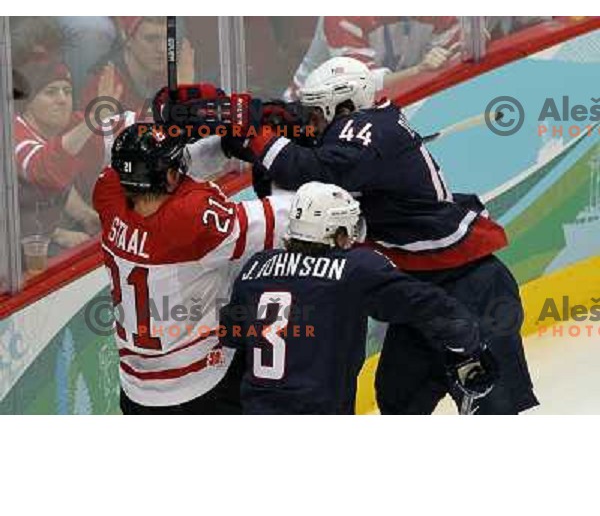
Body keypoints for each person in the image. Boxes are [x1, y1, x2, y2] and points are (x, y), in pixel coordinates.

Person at [222, 56, 538, 415]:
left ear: (343, 105)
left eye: (316, 113)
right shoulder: (361, 124)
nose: (311, 124)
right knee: (397, 399)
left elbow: (310, 170)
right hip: (420, 284)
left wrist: (254, 136)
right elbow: (299, 152)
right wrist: (263, 116)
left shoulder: (368, 129)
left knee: (493, 407)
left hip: (472, 286)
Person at [219, 181, 493, 415]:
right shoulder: (355, 269)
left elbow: (231, 334)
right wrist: (469, 348)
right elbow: (431, 307)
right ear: (335, 232)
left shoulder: (257, 266)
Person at [92, 121, 292, 415]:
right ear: (171, 176)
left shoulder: (107, 193)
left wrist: (221, 147)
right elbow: (285, 217)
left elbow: (159, 171)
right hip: (200, 386)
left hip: (135, 390)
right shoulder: (192, 219)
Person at [13, 57, 104, 254]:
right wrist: (56, 234)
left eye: (67, 91)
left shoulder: (54, 129)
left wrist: (85, 215)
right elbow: (43, 168)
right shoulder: (13, 135)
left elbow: (57, 184)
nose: (62, 99)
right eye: (51, 92)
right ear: (28, 102)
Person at [283, 17, 460, 101]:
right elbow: (365, 85)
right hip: (316, 111)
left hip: (403, 99)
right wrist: (419, 70)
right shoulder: (340, 16)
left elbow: (453, 56)